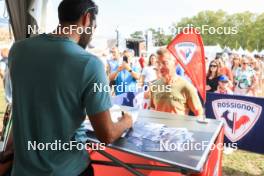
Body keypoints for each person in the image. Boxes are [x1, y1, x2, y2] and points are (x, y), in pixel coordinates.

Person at [8, 0, 132, 175]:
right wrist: (127, 121)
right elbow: (107, 134)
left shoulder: (18, 50)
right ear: (86, 19)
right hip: (68, 170)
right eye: (93, 27)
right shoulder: (89, 63)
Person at [149, 48, 203, 116]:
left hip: (178, 126)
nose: (160, 67)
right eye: (158, 63)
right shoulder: (154, 86)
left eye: (165, 63)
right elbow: (152, 108)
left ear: (175, 63)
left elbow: (199, 113)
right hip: (157, 126)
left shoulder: (186, 86)